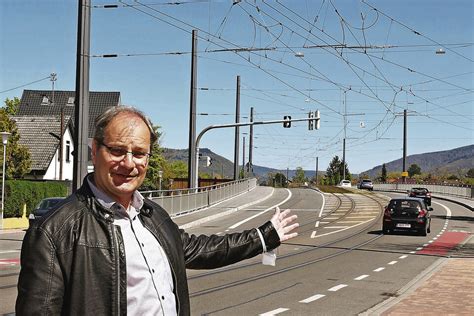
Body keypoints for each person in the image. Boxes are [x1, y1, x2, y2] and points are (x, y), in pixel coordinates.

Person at [16, 106, 299, 316]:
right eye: (116, 150)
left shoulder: (153, 216)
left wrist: (263, 237)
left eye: (139, 153)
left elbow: (199, 249)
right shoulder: (53, 232)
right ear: (94, 151)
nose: (128, 163)